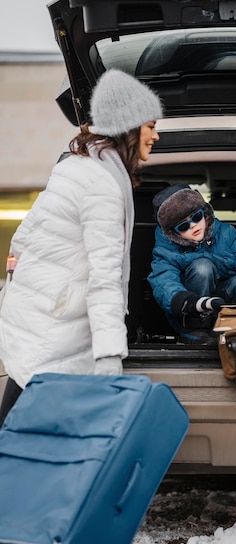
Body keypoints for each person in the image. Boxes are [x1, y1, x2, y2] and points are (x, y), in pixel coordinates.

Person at [0, 68, 163, 424]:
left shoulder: (75, 167)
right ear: (129, 127)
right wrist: (109, 361)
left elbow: (22, 240)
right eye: (150, 126)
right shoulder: (102, 186)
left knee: (14, 429)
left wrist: (26, 288)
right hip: (56, 334)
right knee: (29, 443)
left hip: (37, 320)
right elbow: (104, 279)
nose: (157, 135)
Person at [148, 184, 236, 345]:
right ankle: (196, 328)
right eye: (183, 226)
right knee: (203, 267)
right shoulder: (166, 249)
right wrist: (188, 303)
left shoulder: (226, 233)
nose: (193, 226)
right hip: (191, 309)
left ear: (206, 214)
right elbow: (163, 280)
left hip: (223, 301)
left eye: (196, 217)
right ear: (172, 232)